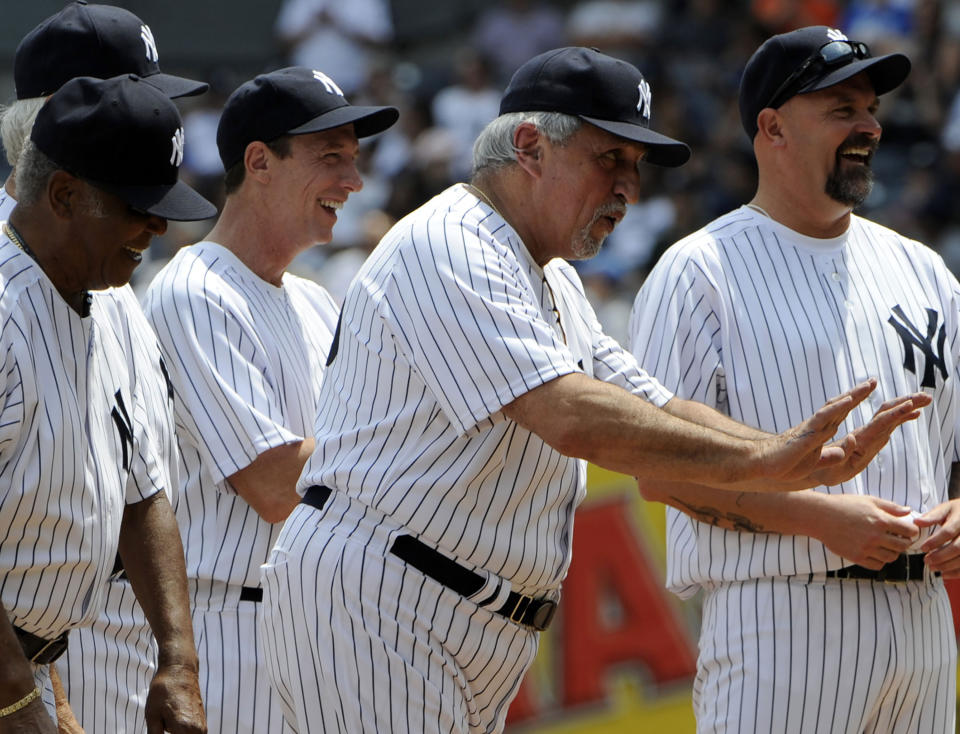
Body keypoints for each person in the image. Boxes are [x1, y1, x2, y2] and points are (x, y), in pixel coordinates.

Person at [259, 46, 926, 734]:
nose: (629, 188)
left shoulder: (553, 278)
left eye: (635, 167)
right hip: (381, 592)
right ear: (530, 147)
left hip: (454, 608)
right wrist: (768, 463)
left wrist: (795, 458)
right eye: (610, 158)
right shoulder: (450, 241)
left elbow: (656, 406)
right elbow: (570, 415)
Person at [630, 25, 956, 733]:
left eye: (870, 107)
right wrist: (817, 518)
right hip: (784, 618)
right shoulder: (698, 272)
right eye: (842, 109)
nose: (870, 124)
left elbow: (953, 454)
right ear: (772, 128)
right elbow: (659, 472)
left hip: (925, 622)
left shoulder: (923, 269)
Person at [141, 67, 398, 734]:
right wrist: (419, 460)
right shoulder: (195, 290)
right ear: (259, 161)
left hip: (316, 629)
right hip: (228, 632)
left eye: (355, 158)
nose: (354, 181)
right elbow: (275, 481)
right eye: (331, 156)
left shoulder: (315, 302)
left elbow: (348, 464)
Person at [0, 5, 208, 732]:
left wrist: (177, 658)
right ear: (61, 193)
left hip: (49, 654)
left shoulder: (108, 288)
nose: (157, 228)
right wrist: (19, 697)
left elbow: (141, 483)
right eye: (137, 207)